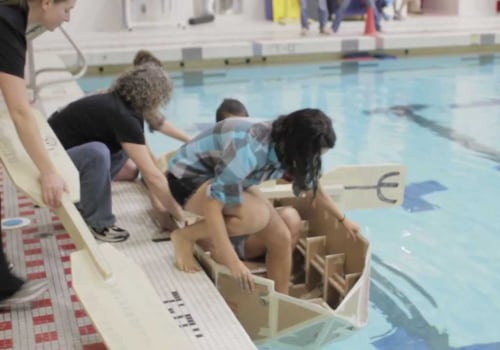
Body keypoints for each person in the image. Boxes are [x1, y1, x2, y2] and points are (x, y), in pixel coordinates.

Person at [167, 109, 360, 294]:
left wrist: (343, 220)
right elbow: (212, 205)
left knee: (281, 238)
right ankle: (184, 237)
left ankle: (280, 299)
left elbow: (313, 189)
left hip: (222, 176)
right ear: (298, 146)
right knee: (256, 215)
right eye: (314, 154)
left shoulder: (291, 146)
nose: (315, 159)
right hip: (187, 179)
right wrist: (234, 262)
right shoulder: (250, 147)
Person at [48, 63, 184, 242]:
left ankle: (83, 202)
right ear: (153, 97)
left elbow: (146, 160)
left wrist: (161, 210)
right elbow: (152, 176)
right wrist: (180, 214)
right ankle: (98, 223)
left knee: (123, 150)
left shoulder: (118, 102)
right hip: (51, 163)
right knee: (97, 153)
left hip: (64, 155)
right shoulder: (123, 115)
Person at [0, 0, 76, 306]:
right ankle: (4, 288)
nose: (68, 18)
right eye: (67, 9)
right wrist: (48, 171)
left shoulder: (10, 20)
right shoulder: (6, 23)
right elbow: (19, 111)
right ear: (46, 4)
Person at [213, 98, 302, 264]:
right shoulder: (213, 157)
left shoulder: (257, 152)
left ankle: (276, 269)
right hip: (232, 239)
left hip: (256, 227)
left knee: (291, 216)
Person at [113, 49, 191, 181]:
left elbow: (158, 122)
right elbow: (137, 140)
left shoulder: (133, 95)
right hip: (95, 150)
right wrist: (154, 166)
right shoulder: (124, 103)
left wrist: (190, 140)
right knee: (133, 170)